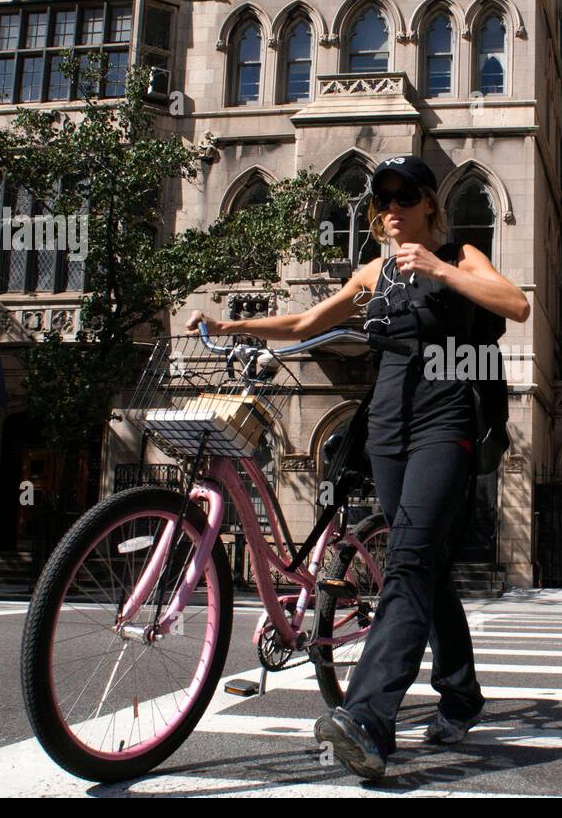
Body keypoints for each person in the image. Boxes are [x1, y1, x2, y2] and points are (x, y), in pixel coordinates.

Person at [184, 155, 530, 780]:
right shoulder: (371, 272)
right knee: (423, 565)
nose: (392, 208)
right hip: (388, 427)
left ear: (429, 204)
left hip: (445, 417)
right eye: (384, 199)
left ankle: (368, 718)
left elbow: (514, 305)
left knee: (409, 562)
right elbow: (308, 322)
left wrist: (440, 270)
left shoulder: (459, 255)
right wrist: (232, 321)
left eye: (405, 196)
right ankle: (462, 693)